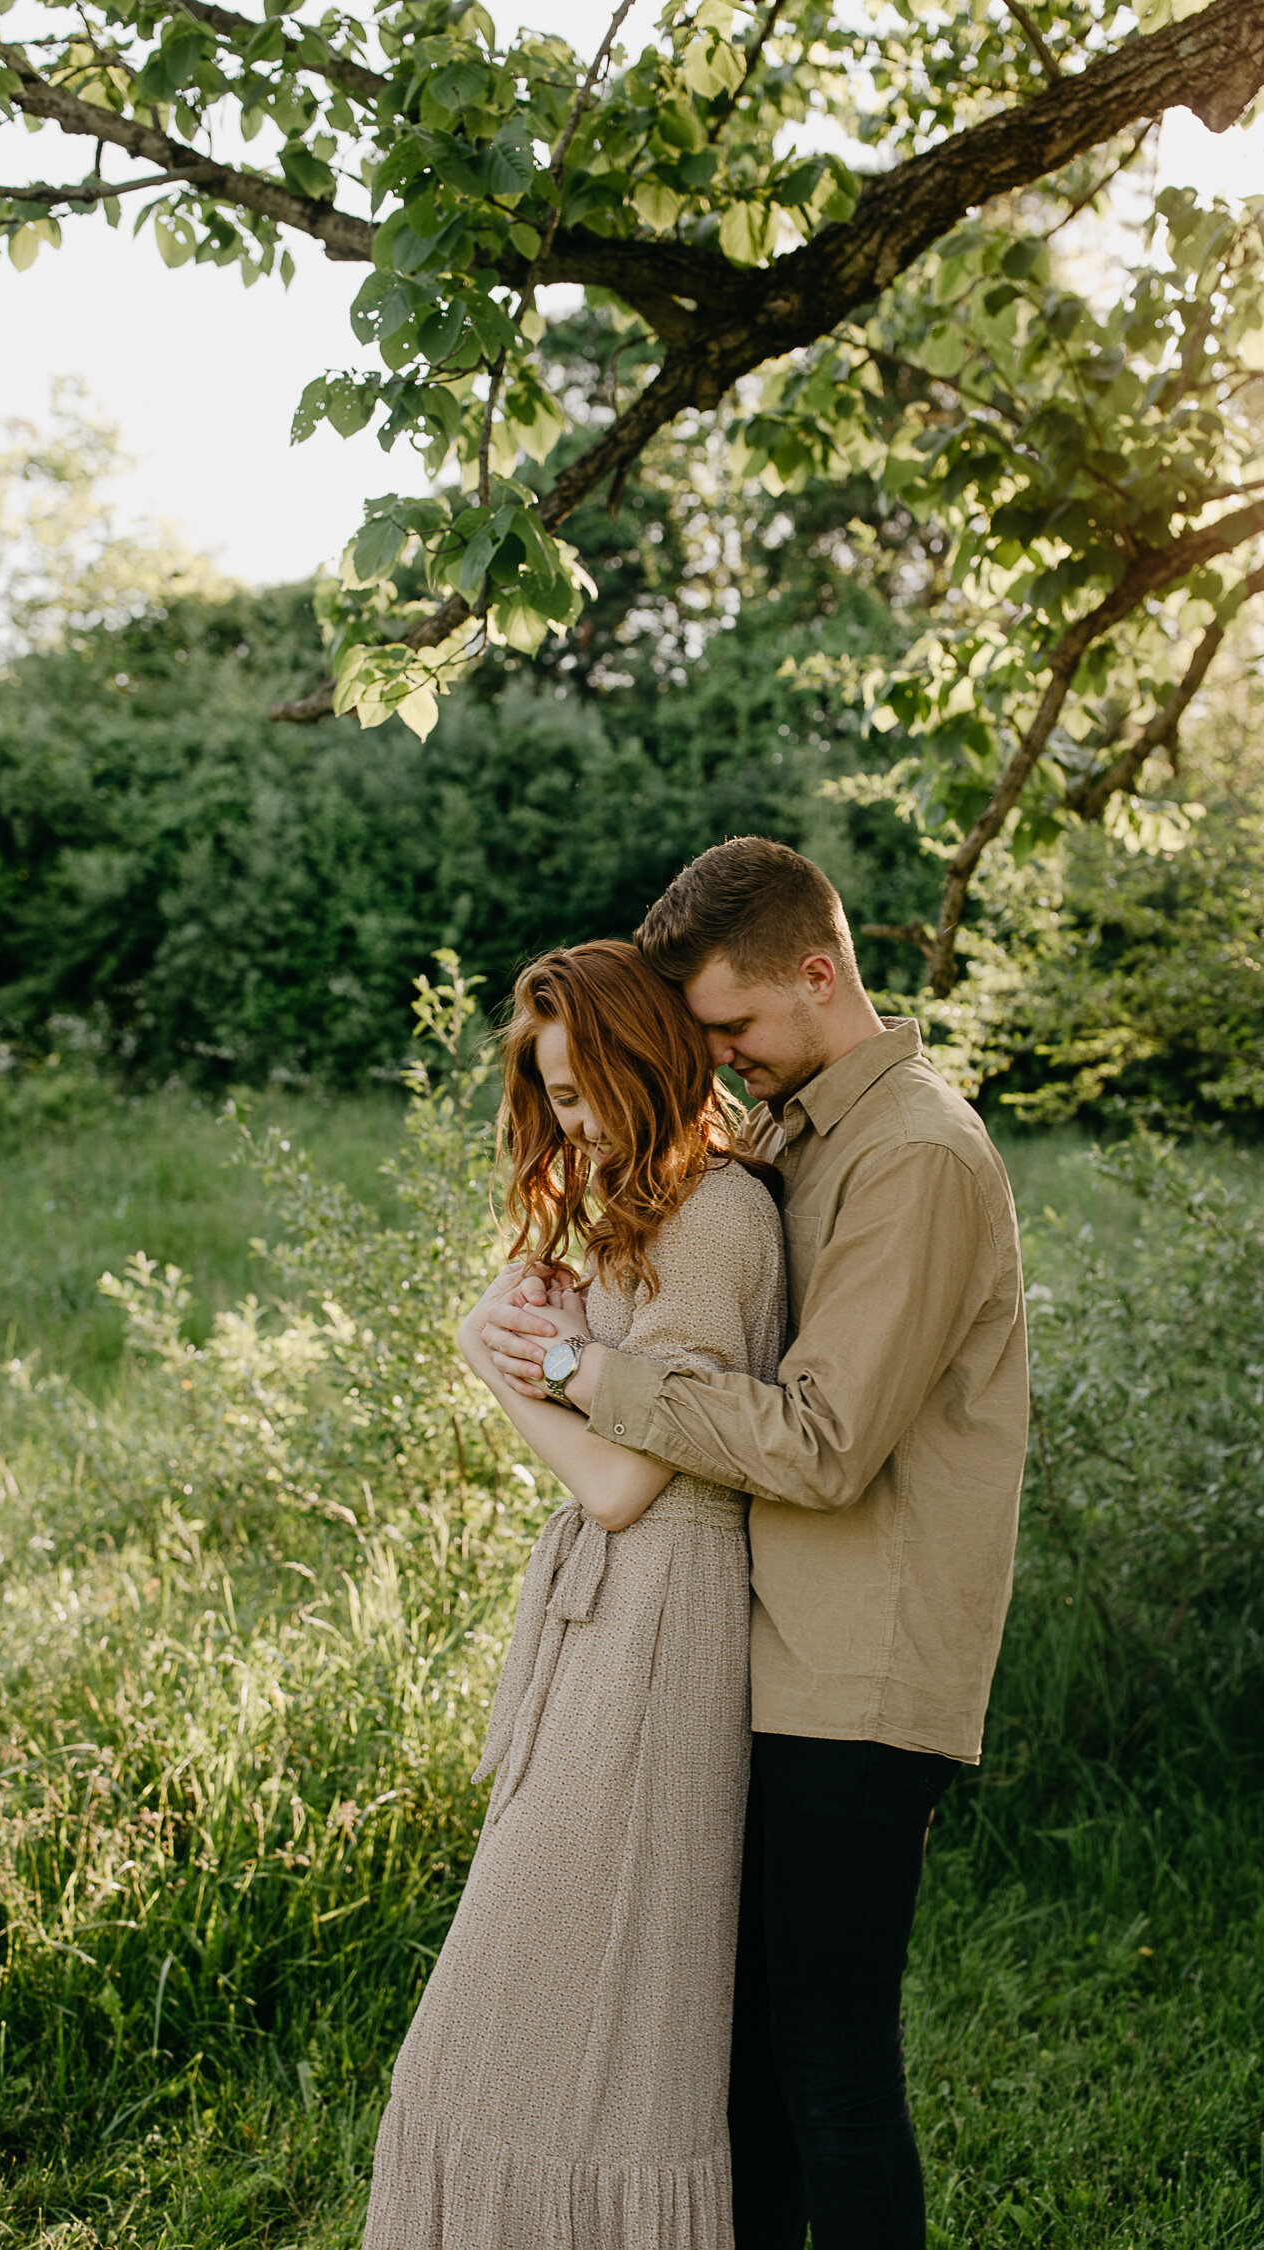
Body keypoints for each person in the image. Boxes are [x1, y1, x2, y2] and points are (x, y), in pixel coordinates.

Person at [481, 838, 1029, 2250]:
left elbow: (825, 1442)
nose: (717, 1059)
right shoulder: (808, 1133)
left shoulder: (912, 1150)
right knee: (750, 2069)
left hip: (863, 1666)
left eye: (730, 1026)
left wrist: (587, 1377)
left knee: (829, 2065)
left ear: (818, 968)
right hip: (773, 1653)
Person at [362, 938, 785, 2250]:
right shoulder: (647, 1212)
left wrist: (502, 1365)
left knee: (596, 2029)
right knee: (498, 2025)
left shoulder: (718, 1217)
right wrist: (539, 1321)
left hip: (665, 1628)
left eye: (587, 1084)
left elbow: (620, 1485)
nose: (573, 1118)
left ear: (644, 1059)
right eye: (552, 1093)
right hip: (614, 1621)